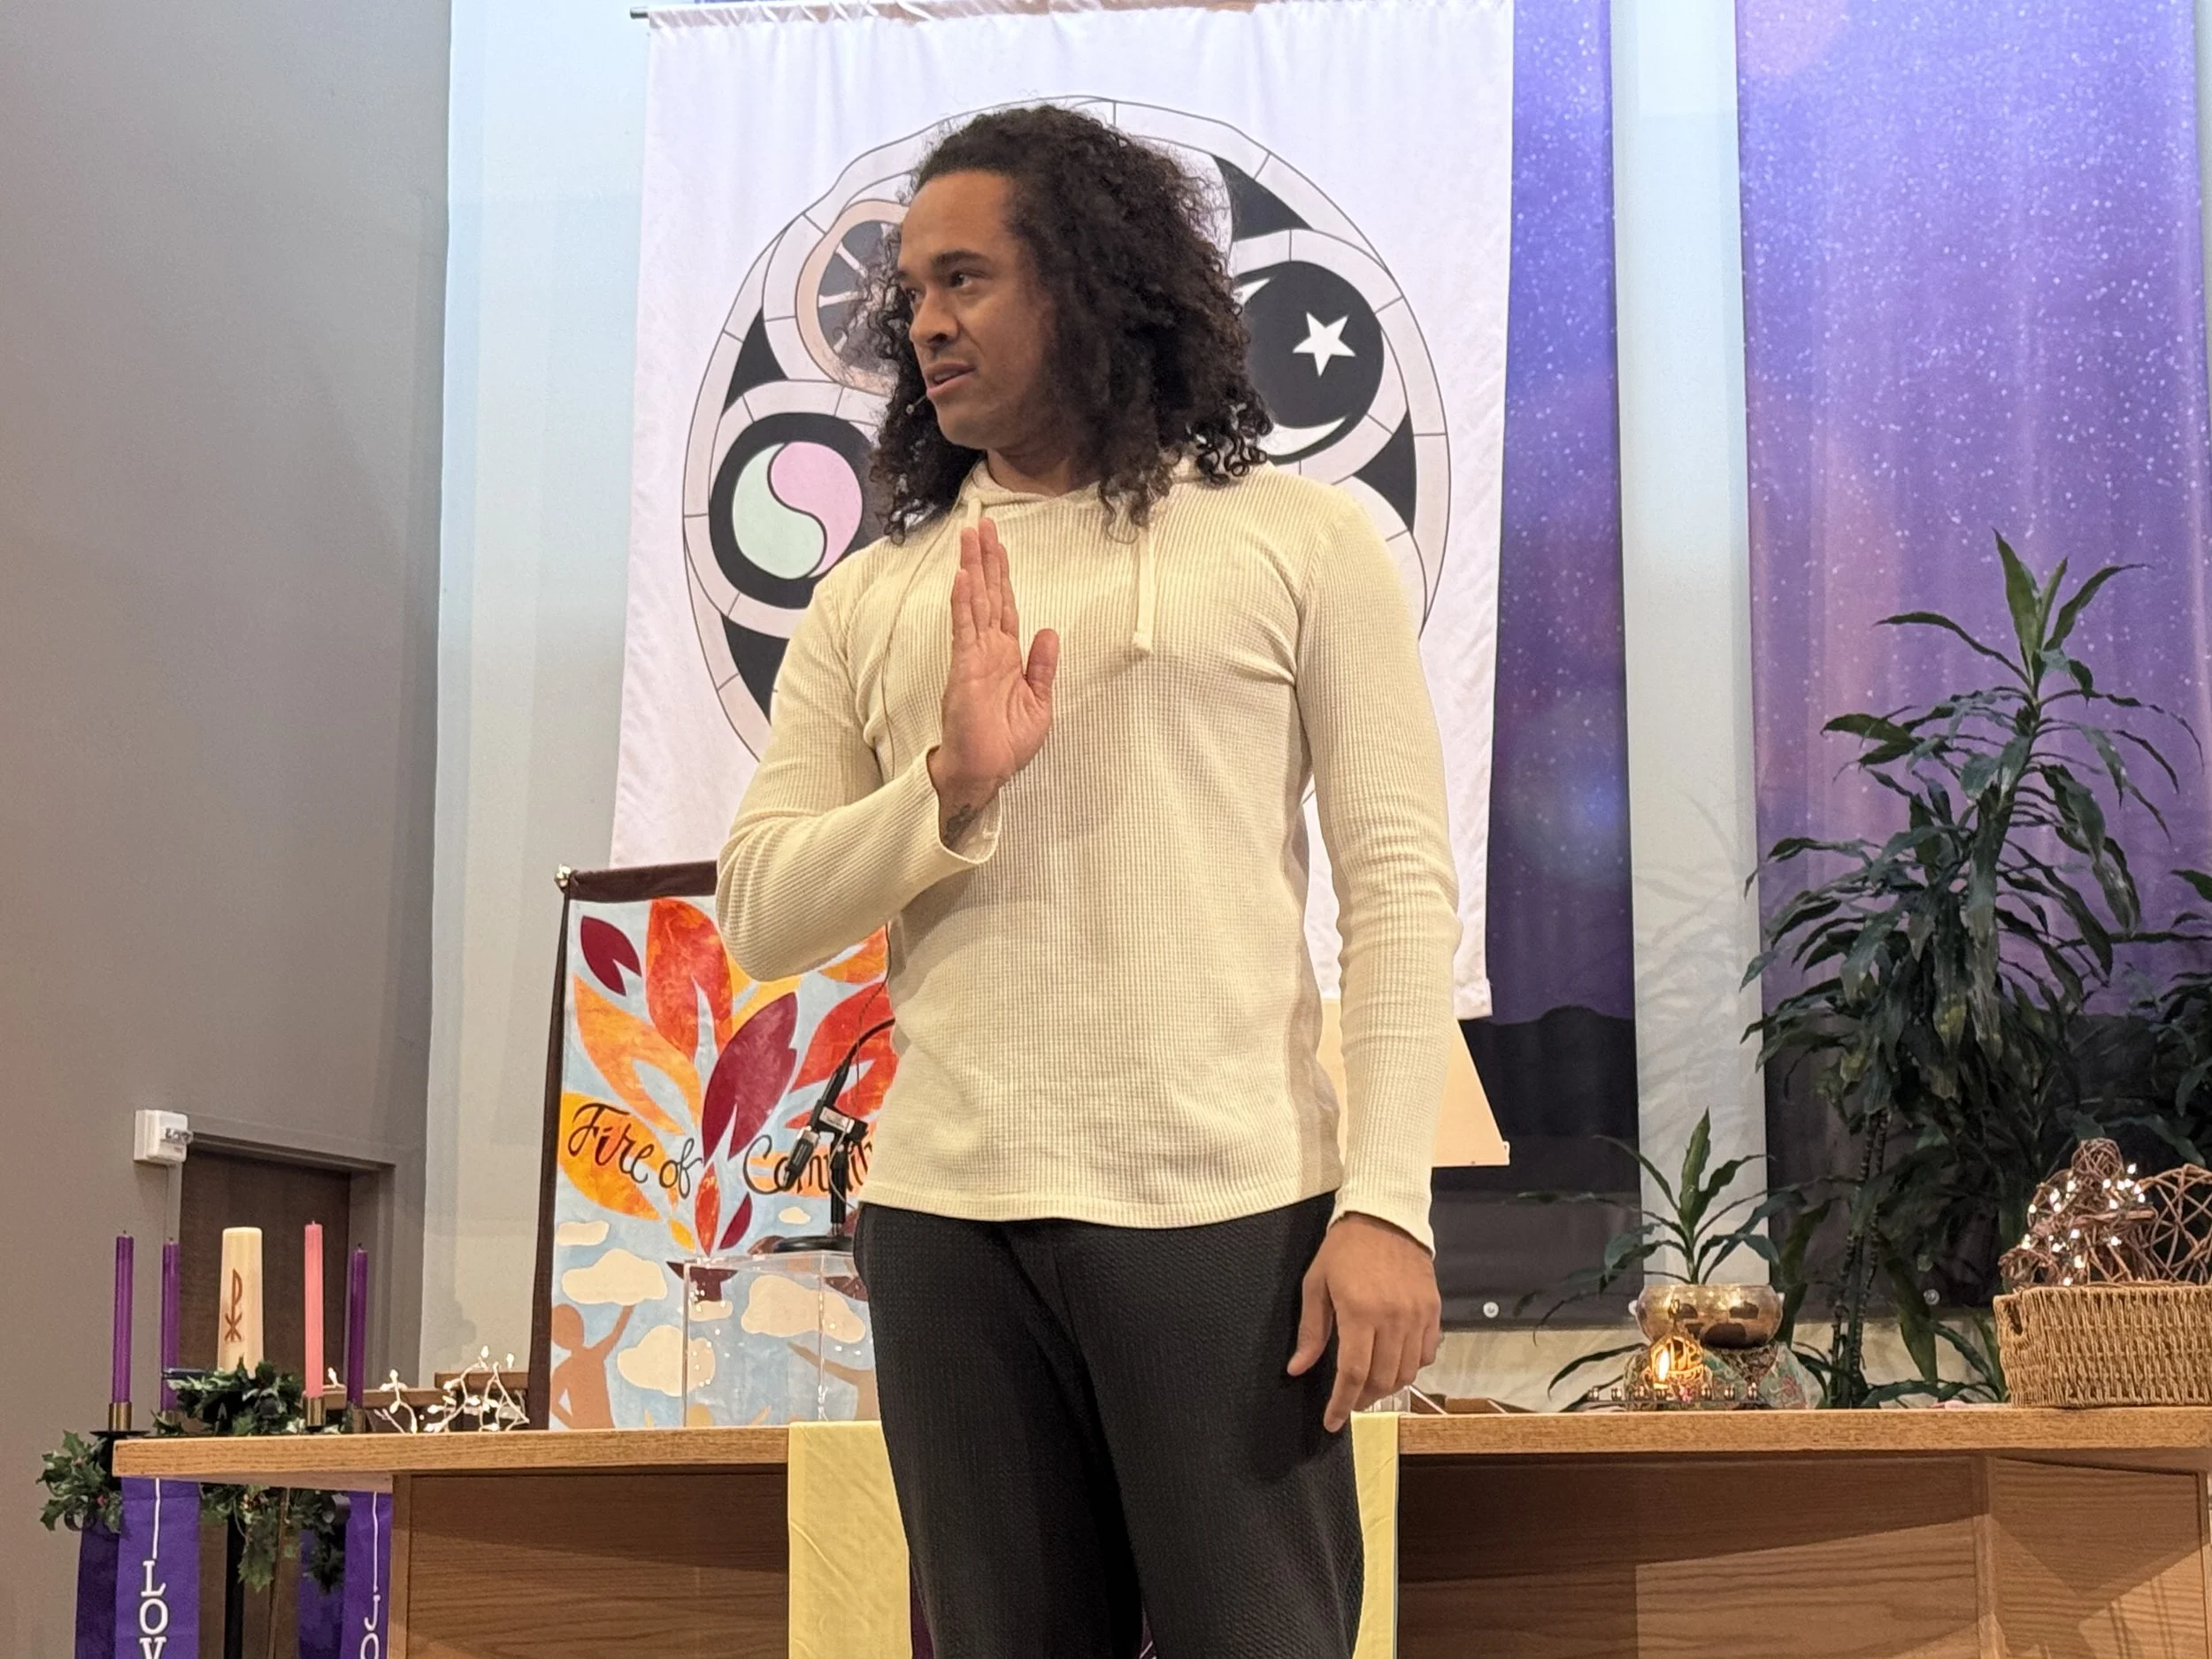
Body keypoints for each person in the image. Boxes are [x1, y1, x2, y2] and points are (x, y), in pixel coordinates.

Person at [716, 104, 1458, 1659]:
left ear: (1091, 284)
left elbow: (1396, 888)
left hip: (1228, 1216)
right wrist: (947, 786)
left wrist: (1388, 1202)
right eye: (910, 289)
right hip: (948, 1226)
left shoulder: (1298, 542)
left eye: (967, 278)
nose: (924, 320)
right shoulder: (875, 594)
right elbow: (762, 909)